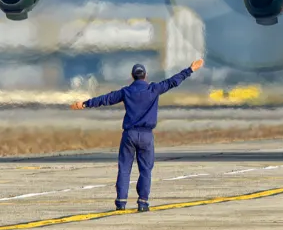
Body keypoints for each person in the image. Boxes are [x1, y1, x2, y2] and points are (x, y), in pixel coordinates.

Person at [72, 59, 204, 212]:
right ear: (145, 76)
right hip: (146, 135)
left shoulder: (126, 91)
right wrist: (190, 69)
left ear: (132, 76)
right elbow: (173, 82)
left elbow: (106, 99)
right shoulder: (154, 89)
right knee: (146, 170)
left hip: (129, 135)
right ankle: (143, 202)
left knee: (124, 169)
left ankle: (121, 202)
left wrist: (86, 104)